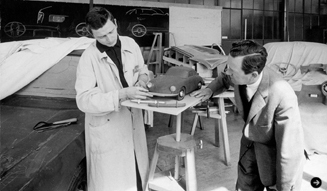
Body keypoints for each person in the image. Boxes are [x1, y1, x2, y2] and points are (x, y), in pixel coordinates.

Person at [191, 40, 306, 191]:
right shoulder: (238, 73)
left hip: (274, 155)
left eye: (232, 71)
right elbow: (225, 78)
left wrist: (283, 186)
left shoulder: (283, 95)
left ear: (253, 75)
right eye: (228, 68)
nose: (227, 72)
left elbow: (289, 151)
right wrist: (210, 90)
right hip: (249, 142)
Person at [75, 7, 152, 191]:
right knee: (113, 182)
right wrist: (122, 94)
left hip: (133, 120)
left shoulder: (130, 44)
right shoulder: (89, 57)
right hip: (108, 127)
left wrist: (143, 78)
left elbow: (142, 68)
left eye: (111, 31)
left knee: (137, 177)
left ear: (116, 23)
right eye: (102, 36)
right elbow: (83, 100)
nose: (109, 38)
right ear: (92, 34)